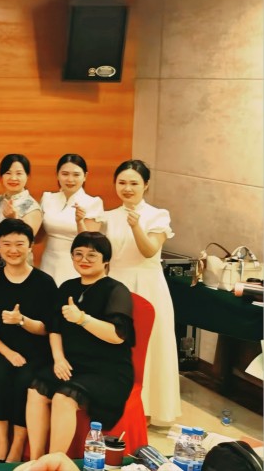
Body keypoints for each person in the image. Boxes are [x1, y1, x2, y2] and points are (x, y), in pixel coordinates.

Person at [26, 232, 134, 459]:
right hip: (73, 364)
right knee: (36, 389)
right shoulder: (67, 287)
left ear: (106, 260)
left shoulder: (116, 290)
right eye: (78, 254)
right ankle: (36, 460)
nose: (84, 260)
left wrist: (82, 319)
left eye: (92, 255)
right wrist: (58, 359)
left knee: (64, 397)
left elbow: (117, 335)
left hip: (108, 370)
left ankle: (55, 461)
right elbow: (54, 328)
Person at [96, 160, 180, 425]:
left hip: (148, 286)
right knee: (116, 344)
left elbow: (149, 251)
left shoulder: (158, 215)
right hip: (116, 285)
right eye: (122, 182)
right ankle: (116, 407)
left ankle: (147, 409)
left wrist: (135, 226)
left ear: (146, 185)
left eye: (134, 183)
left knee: (149, 346)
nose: (127, 188)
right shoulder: (108, 217)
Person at [0, 218, 58, 463]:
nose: (13, 250)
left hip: (36, 352)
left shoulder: (44, 283)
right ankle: (2, 442)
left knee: (24, 379)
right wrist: (7, 352)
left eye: (20, 244)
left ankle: (18, 443)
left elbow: (49, 329)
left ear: (30, 246)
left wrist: (22, 321)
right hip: (1, 349)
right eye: (6, 244)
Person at [38, 154, 103, 285]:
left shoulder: (93, 202)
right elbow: (38, 236)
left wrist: (80, 222)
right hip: (48, 260)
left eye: (76, 175)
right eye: (65, 174)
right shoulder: (48, 198)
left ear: (85, 176)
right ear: (57, 175)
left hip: (76, 263)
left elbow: (90, 243)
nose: (70, 179)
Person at [0, 154, 44, 244]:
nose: (13, 178)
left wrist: (14, 219)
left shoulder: (32, 207)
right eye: (8, 173)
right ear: (1, 177)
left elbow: (26, 241)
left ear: (27, 176)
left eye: (19, 173)